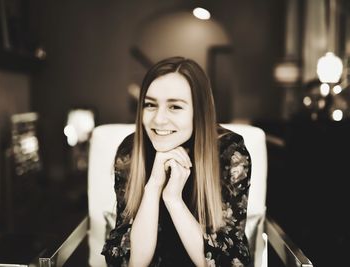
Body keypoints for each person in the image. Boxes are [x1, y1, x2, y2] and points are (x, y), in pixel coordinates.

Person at [101, 56, 252, 267]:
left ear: (198, 112)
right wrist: (153, 187)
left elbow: (229, 262)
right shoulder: (131, 151)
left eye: (175, 107)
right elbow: (128, 262)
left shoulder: (229, 152)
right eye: (150, 105)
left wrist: (173, 199)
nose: (159, 119)